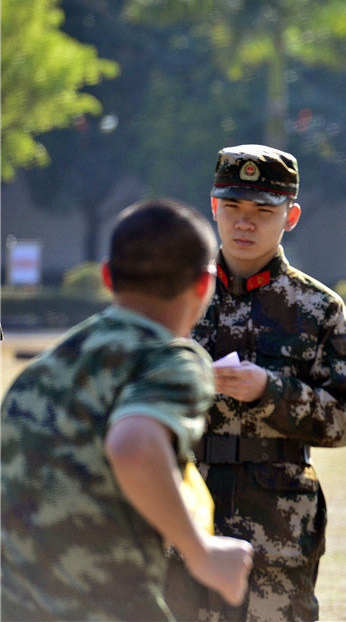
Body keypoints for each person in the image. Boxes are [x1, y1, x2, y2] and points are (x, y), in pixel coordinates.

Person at [1, 199, 254, 621]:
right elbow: (134, 446)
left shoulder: (41, 371)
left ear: (107, 277)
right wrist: (202, 553)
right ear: (204, 284)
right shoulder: (170, 359)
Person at [165, 144, 346, 621]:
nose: (245, 223)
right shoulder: (174, 296)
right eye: (233, 207)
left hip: (278, 527)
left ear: (290, 216)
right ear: (214, 208)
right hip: (184, 512)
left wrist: (270, 392)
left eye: (263, 211)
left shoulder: (319, 308)